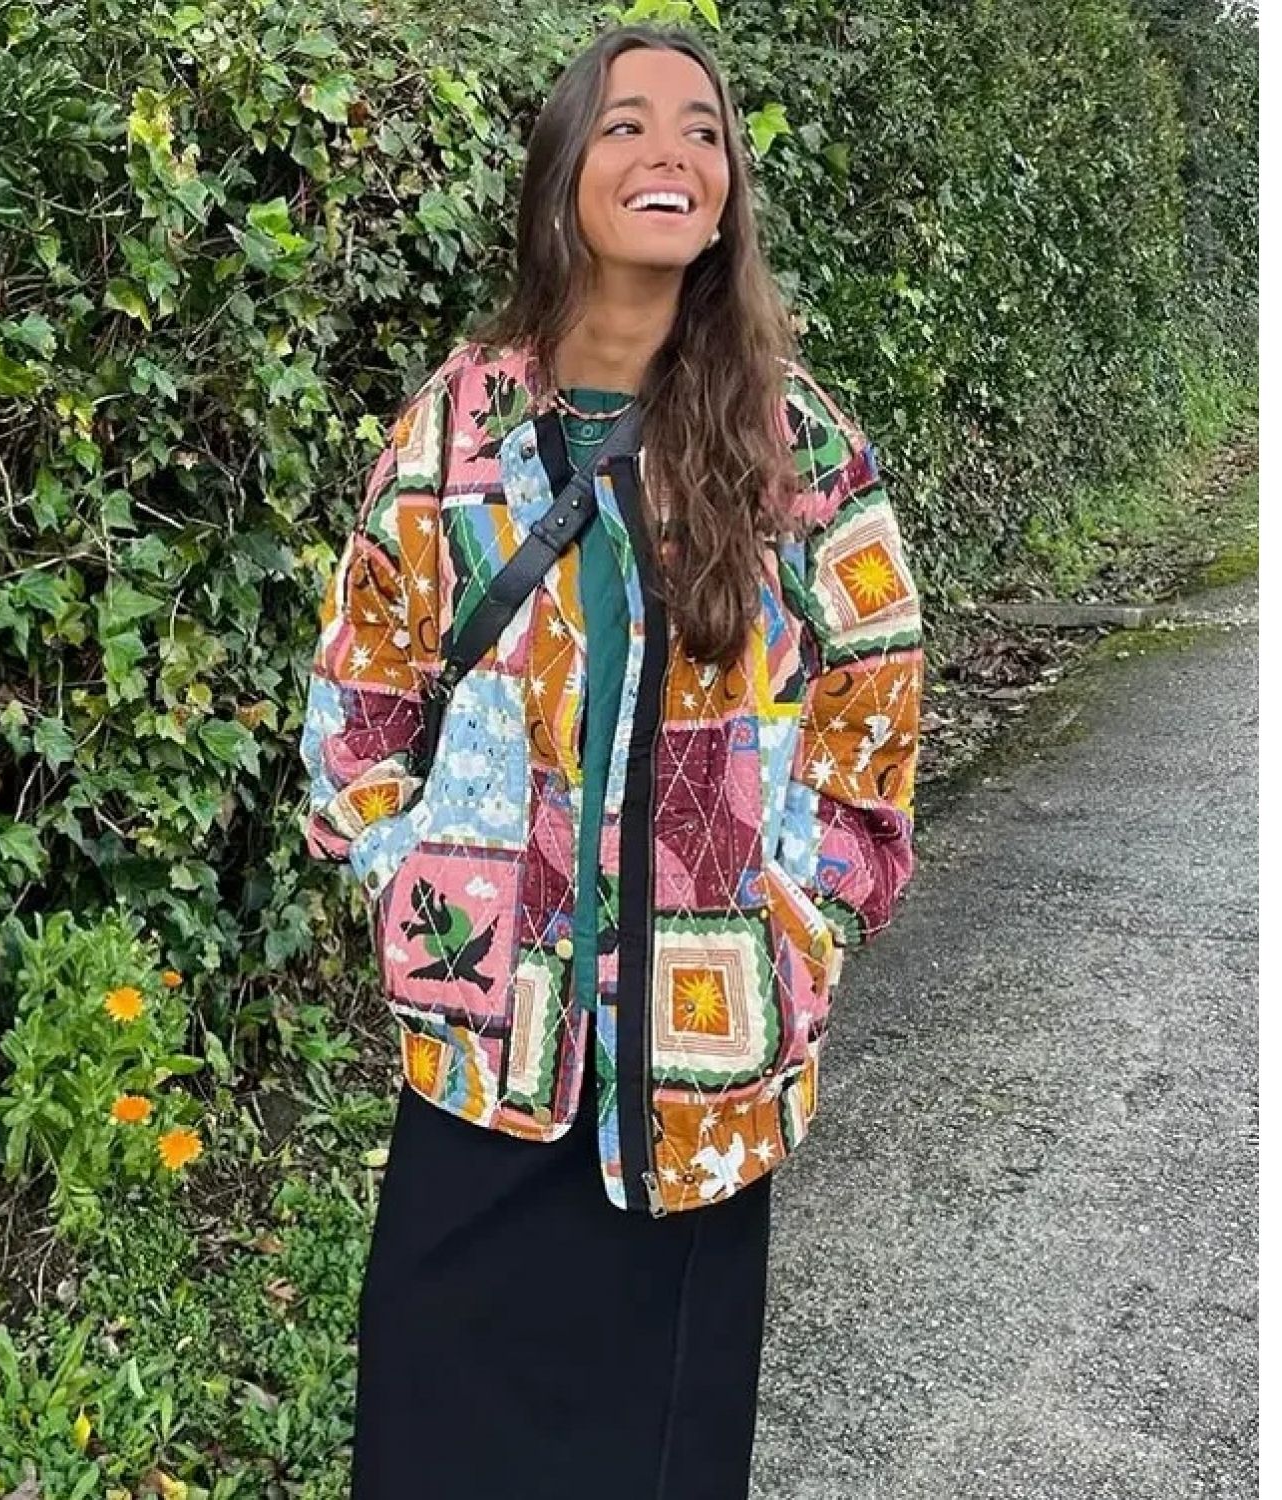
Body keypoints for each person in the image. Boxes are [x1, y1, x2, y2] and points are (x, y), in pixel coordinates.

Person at [298, 22, 925, 1500]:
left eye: (703, 131)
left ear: (729, 192)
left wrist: (799, 921)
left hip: (694, 1075)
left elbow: (875, 705)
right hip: (484, 1049)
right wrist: (411, 884)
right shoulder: (457, 433)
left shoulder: (792, 445)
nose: (671, 154)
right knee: (428, 1445)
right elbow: (360, 691)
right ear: (564, 168)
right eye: (629, 122)